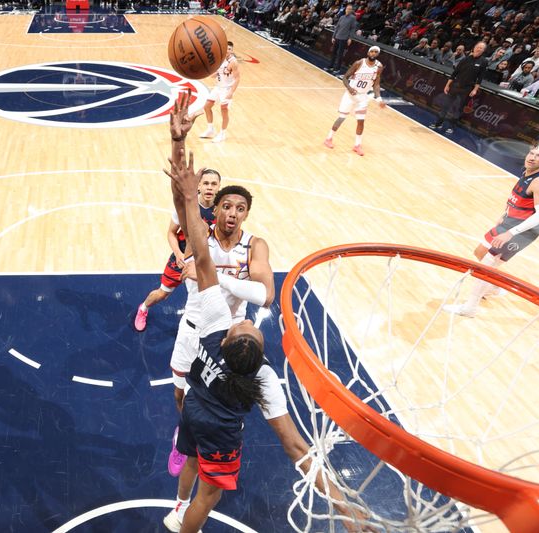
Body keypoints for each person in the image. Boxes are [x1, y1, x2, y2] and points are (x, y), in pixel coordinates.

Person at [161, 94, 368, 533]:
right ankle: (183, 476)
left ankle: (182, 481)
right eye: (226, 206)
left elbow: (264, 296)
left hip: (205, 343)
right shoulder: (263, 377)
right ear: (214, 209)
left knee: (187, 398)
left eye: (240, 208)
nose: (232, 212)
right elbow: (295, 446)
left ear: (246, 214)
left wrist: (211, 271)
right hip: (195, 333)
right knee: (186, 410)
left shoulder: (228, 304)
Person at [444, 145, 539, 318]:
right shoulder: (527, 172)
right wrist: (505, 213)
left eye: (538, 156)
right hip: (509, 222)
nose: (532, 157)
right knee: (480, 252)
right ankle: (494, 286)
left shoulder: (538, 181)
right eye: (532, 153)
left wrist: (511, 233)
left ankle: (470, 307)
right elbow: (518, 199)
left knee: (487, 265)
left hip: (521, 231)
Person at [133, 170, 221, 332]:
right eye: (206, 183)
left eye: (213, 184)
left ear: (219, 187)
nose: (209, 187)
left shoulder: (222, 210)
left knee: (208, 296)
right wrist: (179, 255)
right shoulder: (186, 208)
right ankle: (143, 308)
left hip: (205, 263)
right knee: (162, 294)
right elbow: (171, 233)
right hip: (181, 259)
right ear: (199, 186)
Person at [324, 45, 386, 157]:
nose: (373, 53)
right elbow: (345, 77)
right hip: (350, 95)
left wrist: (379, 99)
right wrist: (349, 88)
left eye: (376, 52)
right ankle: (329, 138)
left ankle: (357, 145)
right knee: (342, 117)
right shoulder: (359, 63)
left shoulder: (379, 66)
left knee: (361, 121)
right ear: (368, 52)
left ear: (378, 54)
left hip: (363, 97)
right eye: (372, 51)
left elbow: (376, 84)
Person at [429, 41, 488, 135]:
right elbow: (455, 73)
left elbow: (480, 78)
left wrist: (475, 89)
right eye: (478, 47)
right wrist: (447, 85)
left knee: (458, 109)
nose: (479, 49)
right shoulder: (465, 59)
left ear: (483, 50)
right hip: (455, 85)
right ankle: (438, 123)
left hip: (467, 88)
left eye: (481, 48)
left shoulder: (484, 61)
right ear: (474, 47)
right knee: (446, 105)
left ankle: (451, 127)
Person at [197, 41, 240, 144]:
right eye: (226, 48)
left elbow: (237, 78)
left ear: (232, 50)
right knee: (207, 107)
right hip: (218, 87)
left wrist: (231, 92)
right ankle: (210, 129)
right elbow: (219, 73)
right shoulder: (219, 59)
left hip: (226, 89)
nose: (228, 50)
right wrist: (213, 73)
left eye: (230, 49)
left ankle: (222, 134)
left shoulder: (233, 62)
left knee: (224, 111)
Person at [327, 4, 358, 73]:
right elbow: (337, 27)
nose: (348, 10)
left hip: (344, 39)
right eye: (348, 8)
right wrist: (333, 36)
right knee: (334, 53)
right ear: (345, 9)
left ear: (352, 10)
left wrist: (350, 38)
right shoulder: (342, 17)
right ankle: (331, 66)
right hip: (337, 37)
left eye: (350, 9)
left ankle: (337, 69)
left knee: (340, 54)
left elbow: (352, 29)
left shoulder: (353, 18)